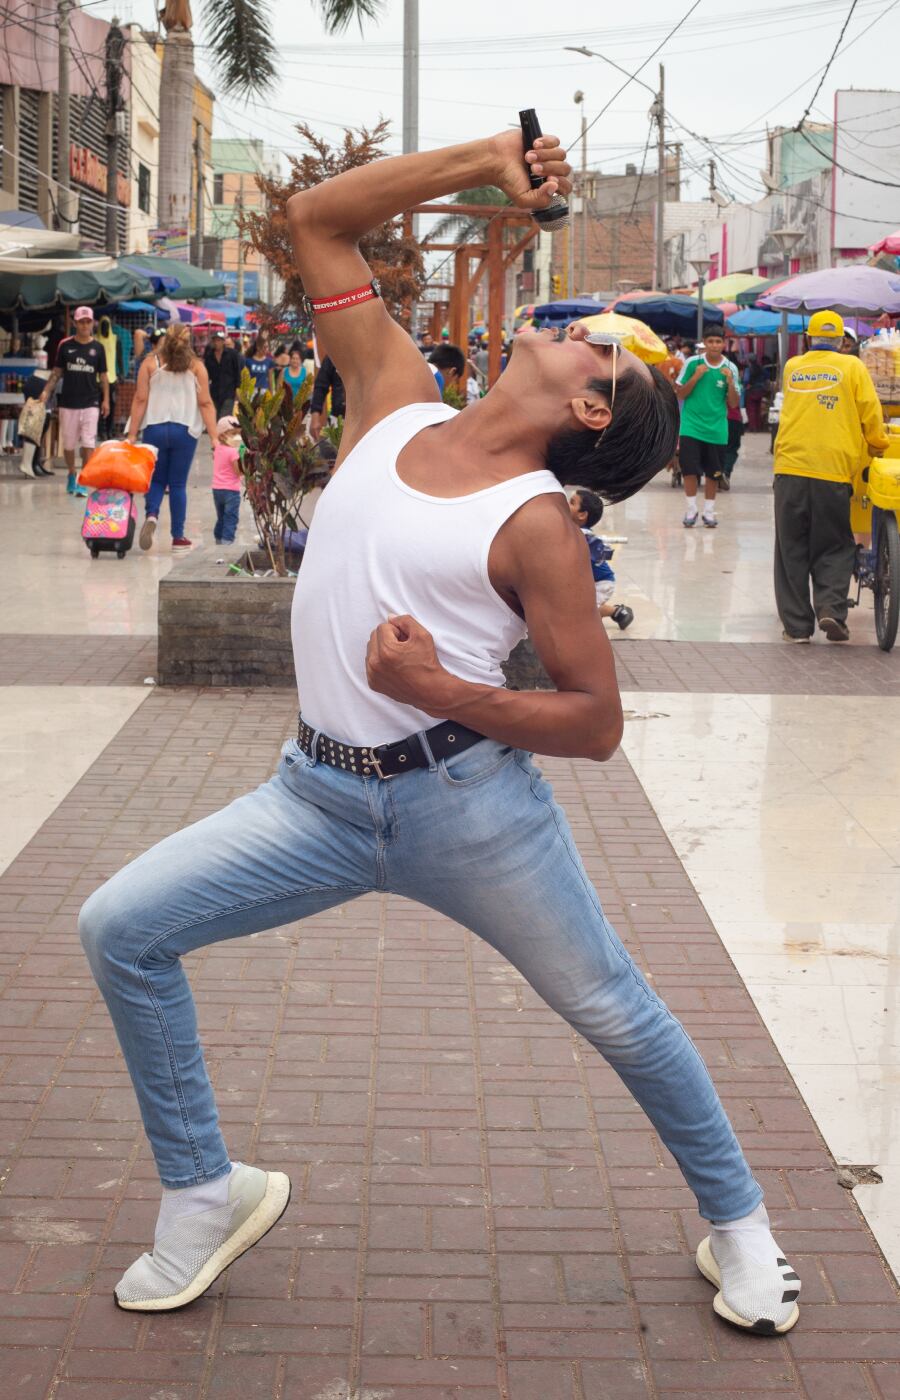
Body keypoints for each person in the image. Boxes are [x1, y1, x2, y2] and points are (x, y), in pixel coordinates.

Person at [79, 124, 801, 1337]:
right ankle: (206, 1188)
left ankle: (743, 1227)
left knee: (616, 1006)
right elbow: (317, 219)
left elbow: (597, 722)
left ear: (585, 407)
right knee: (121, 929)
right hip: (310, 797)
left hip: (466, 808)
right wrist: (486, 167)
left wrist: (447, 694)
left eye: (603, 352)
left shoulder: (538, 527)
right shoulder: (395, 399)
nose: (583, 327)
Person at [773, 309, 888, 643]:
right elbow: (869, 409)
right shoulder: (852, 366)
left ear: (808, 338)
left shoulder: (793, 366)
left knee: (790, 547)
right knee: (835, 544)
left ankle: (796, 628)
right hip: (833, 470)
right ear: (841, 341)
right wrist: (879, 443)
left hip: (790, 468)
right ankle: (830, 611)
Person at [128, 322, 218, 552]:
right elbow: (205, 403)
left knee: (157, 480)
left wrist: (131, 434)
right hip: (184, 430)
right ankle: (178, 537)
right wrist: (216, 439)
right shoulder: (197, 367)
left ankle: (152, 515)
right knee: (177, 484)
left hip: (154, 429)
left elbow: (140, 399)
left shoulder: (150, 363)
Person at [38, 306, 109, 497]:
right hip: (68, 402)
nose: (85, 325)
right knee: (69, 445)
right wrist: (46, 391)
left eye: (88, 321)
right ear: (75, 323)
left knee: (88, 442)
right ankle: (71, 473)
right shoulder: (65, 345)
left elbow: (103, 376)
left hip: (91, 401)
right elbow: (57, 372)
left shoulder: (98, 348)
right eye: (81, 321)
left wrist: (106, 401)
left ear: (92, 323)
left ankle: (84, 479)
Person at [676, 327, 739, 528]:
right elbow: (680, 394)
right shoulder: (692, 363)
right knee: (689, 471)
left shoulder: (731, 368)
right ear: (704, 343)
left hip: (716, 429)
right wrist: (695, 377)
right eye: (710, 341)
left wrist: (730, 383)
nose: (714, 345)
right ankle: (691, 509)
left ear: (723, 344)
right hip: (691, 427)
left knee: (714, 473)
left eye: (718, 342)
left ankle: (709, 512)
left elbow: (734, 403)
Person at [568, 487, 633, 629]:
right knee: (582, 607)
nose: (567, 505)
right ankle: (618, 612)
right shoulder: (574, 531)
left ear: (582, 515)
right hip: (590, 581)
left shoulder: (583, 535)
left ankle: (616, 613)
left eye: (572, 503)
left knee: (586, 612)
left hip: (602, 583)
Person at [211, 415, 242, 545]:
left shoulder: (217, 449)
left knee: (221, 516)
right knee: (231, 517)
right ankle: (227, 541)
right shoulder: (233, 452)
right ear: (223, 436)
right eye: (233, 434)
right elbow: (238, 471)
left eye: (238, 434)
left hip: (217, 489)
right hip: (231, 491)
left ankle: (218, 538)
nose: (237, 437)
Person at [203, 330, 244, 419]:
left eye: (218, 340)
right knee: (215, 417)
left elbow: (238, 372)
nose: (216, 343)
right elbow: (206, 375)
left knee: (224, 417)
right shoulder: (209, 356)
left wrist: (238, 390)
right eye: (215, 340)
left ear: (223, 341)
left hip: (229, 391)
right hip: (214, 392)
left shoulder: (232, 354)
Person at [307, 354, 345, 441]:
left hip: (365, 419)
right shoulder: (333, 356)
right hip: (338, 419)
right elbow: (320, 387)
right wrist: (315, 417)